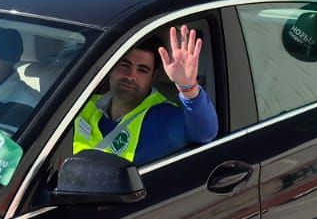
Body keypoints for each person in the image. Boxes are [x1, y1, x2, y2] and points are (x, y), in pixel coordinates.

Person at [72, 25, 217, 165]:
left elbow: (205, 132)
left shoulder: (163, 118)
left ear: (153, 77)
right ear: (111, 67)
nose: (130, 75)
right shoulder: (84, 104)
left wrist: (188, 87)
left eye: (142, 70)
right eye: (124, 64)